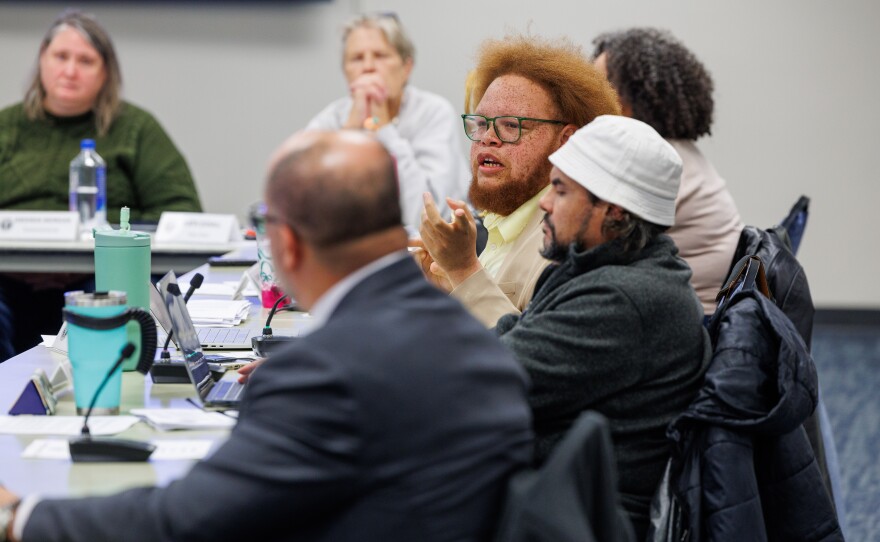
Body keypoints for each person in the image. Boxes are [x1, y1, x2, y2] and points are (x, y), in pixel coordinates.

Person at [0, 130, 533, 542]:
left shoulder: (326, 374)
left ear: (289, 248)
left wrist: (20, 516)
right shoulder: (470, 335)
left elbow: (181, 523)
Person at [495, 115, 711, 539]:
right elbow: (515, 334)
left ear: (612, 211)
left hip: (568, 511)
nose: (544, 202)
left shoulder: (626, 299)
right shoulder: (604, 265)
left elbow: (493, 380)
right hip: (549, 487)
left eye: (559, 190)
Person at [0, 10, 202, 361]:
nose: (70, 70)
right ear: (41, 62)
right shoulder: (7, 127)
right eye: (60, 57)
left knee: (114, 300)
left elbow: (181, 213)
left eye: (85, 60)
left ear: (106, 72)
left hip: (102, 273)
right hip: (8, 275)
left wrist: (91, 251)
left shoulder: (136, 129)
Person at [415, 35, 621, 327]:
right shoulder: (494, 221)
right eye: (482, 124)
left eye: (511, 126)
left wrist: (463, 270)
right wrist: (442, 291)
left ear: (567, 142)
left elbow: (531, 356)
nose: (488, 138)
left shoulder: (572, 239)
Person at [592, 28, 743, 315]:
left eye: (601, 88)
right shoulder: (674, 151)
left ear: (635, 98)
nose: (588, 99)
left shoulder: (656, 162)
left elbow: (590, 248)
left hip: (688, 326)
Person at [306, 13, 468, 230]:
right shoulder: (333, 118)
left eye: (380, 55)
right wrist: (350, 132)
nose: (368, 67)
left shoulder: (433, 112)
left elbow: (425, 217)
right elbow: (307, 206)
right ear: (346, 73)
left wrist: (383, 129)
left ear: (406, 68)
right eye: (357, 58)